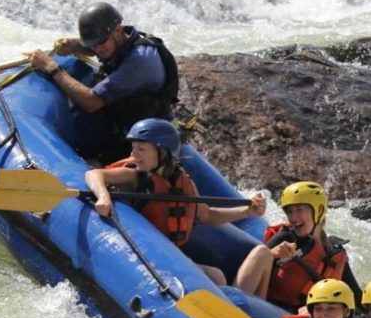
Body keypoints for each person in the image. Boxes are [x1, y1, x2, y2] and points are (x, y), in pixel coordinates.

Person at [85, 118, 266, 284]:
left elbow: (207, 216)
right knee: (215, 278)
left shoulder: (184, 183)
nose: (134, 155)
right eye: (133, 148)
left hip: (170, 255)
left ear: (163, 153)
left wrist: (247, 211)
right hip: (144, 254)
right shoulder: (135, 176)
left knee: (217, 276)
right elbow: (94, 174)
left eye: (141, 149)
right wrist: (103, 196)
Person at [27, 2, 179, 163]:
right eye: (93, 45)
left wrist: (51, 68)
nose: (97, 50)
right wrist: (76, 45)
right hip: (127, 126)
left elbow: (91, 102)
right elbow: (101, 47)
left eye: (101, 43)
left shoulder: (139, 62)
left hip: (150, 142)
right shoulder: (123, 40)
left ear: (118, 30)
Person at [233, 181, 361, 311]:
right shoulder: (285, 237)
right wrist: (273, 254)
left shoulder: (333, 254)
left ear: (319, 210)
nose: (293, 218)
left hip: (301, 317)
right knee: (262, 252)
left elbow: (358, 298)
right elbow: (253, 263)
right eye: (290, 211)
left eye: (299, 210)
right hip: (264, 307)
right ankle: (232, 308)